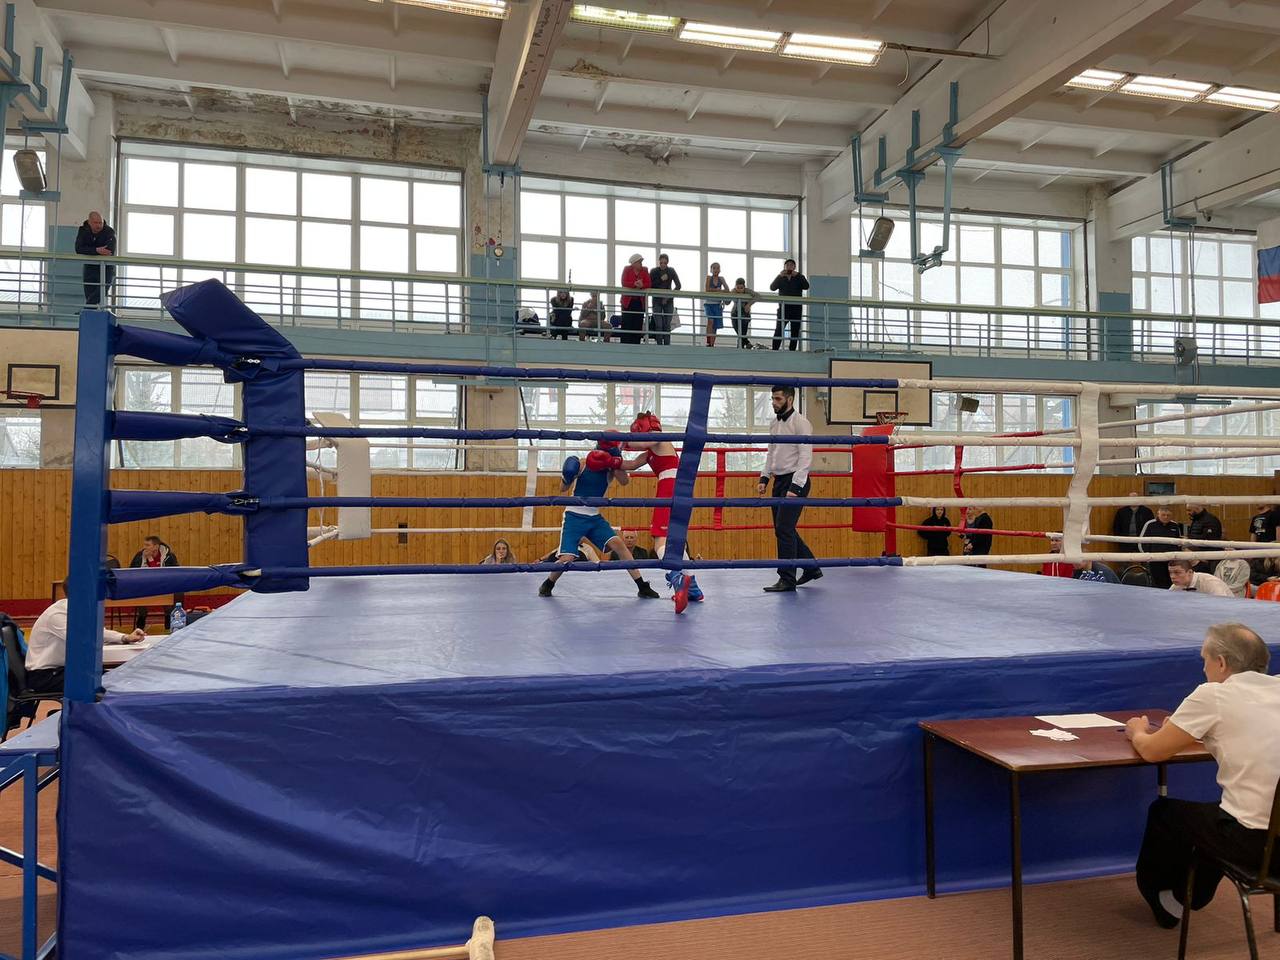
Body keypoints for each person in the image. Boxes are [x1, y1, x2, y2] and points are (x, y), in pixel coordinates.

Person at [1126, 623, 1280, 928]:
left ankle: (1173, 901)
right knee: (1218, 816)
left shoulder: (1214, 696)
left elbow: (1153, 751)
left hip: (1257, 847)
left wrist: (1137, 731)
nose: (1204, 669)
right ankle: (1190, 894)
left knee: (1166, 813)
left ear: (1220, 663)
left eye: (1204, 660)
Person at [538, 440, 660, 599]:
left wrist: (616, 463)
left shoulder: (611, 469)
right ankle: (548, 583)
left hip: (594, 517)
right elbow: (563, 489)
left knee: (619, 545)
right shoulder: (582, 464)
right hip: (574, 516)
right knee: (567, 558)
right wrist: (567, 476)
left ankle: (642, 586)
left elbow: (625, 482)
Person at [623, 412, 704, 613]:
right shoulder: (651, 449)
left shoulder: (658, 439)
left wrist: (618, 441)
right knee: (676, 540)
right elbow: (631, 465)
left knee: (660, 539)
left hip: (669, 487)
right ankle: (692, 588)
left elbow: (640, 443)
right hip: (678, 488)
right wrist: (610, 460)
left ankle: (677, 577)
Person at [759, 385, 817, 593]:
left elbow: (805, 456)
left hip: (795, 481)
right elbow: (771, 452)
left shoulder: (801, 423)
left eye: (778, 399)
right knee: (783, 529)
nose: (774, 403)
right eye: (773, 399)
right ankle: (811, 568)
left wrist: (796, 485)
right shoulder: (774, 423)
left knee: (784, 529)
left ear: (790, 399)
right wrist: (765, 477)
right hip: (779, 481)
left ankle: (787, 578)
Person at [25, 597, 145, 695]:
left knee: (110, 677)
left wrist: (125, 637)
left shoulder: (79, 609)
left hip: (63, 670)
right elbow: (82, 639)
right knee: (103, 682)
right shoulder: (56, 615)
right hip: (45, 676)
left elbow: (97, 633)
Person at [129, 535, 180, 630]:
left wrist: (150, 559)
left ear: (156, 546)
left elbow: (173, 573)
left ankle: (168, 624)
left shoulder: (169, 556)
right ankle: (141, 623)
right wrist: (147, 560)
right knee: (140, 596)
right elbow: (131, 571)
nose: (145, 547)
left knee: (170, 597)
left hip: (163, 585)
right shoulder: (139, 556)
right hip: (145, 585)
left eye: (148, 545)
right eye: (144, 545)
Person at [75, 210, 117, 306]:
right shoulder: (83, 230)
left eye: (100, 223)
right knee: (90, 295)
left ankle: (86, 310)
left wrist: (89, 250)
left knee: (100, 293)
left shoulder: (109, 232)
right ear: (89, 222)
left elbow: (109, 250)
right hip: (90, 268)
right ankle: (88, 310)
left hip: (106, 268)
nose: (98, 225)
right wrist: (97, 250)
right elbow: (78, 249)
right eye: (95, 223)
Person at [769, 258, 809, 351]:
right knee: (779, 329)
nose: (789, 267)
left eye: (791, 265)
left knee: (795, 331)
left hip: (796, 309)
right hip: (783, 309)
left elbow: (806, 286)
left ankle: (792, 351)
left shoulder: (799, 277)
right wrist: (779, 276)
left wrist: (798, 275)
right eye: (787, 265)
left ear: (794, 267)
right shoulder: (781, 278)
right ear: (784, 267)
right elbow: (772, 287)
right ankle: (775, 350)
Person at [1140, 506, 1184, 589]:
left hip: (1171, 561)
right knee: (1157, 585)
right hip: (1155, 561)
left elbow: (1179, 543)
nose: (1166, 517)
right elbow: (1141, 542)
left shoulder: (1175, 525)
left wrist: (1177, 558)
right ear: (1158, 514)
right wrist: (1148, 556)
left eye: (1168, 515)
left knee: (1172, 583)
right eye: (1163, 515)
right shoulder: (1150, 524)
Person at [648, 254, 681, 345]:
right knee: (659, 325)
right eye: (661, 263)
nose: (663, 265)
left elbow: (678, 286)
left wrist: (668, 297)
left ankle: (667, 346)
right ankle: (659, 345)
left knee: (667, 325)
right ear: (659, 262)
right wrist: (660, 279)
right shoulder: (654, 271)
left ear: (667, 263)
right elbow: (649, 285)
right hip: (656, 300)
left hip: (668, 300)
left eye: (665, 263)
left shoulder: (671, 271)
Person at [619, 253, 649, 345]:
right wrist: (634, 284)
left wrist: (642, 285)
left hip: (639, 302)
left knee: (637, 324)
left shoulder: (645, 270)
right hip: (628, 302)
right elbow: (624, 282)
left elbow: (649, 283)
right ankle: (625, 345)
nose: (641, 264)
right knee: (626, 323)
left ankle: (636, 345)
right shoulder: (627, 269)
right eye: (639, 262)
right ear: (634, 263)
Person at [1167, 558, 1234, 597]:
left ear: (1190, 572)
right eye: (1170, 573)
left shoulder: (1210, 583)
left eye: (1177, 572)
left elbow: (1222, 605)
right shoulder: (1176, 586)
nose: (1172, 577)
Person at [1187, 503, 1224, 572]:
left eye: (1189, 510)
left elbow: (1210, 539)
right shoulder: (1196, 520)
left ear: (1197, 509)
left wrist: (1189, 538)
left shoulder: (1211, 520)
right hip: (1199, 555)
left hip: (1210, 557)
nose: (1188, 513)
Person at [729, 277, 760, 349]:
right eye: (738, 288)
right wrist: (729, 294)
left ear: (744, 287)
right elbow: (727, 302)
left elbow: (757, 296)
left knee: (742, 333)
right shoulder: (733, 291)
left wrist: (749, 304)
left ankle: (740, 348)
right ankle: (747, 343)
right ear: (735, 286)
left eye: (741, 288)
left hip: (745, 314)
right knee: (739, 333)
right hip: (735, 314)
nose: (739, 290)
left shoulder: (747, 291)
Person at [703, 262, 728, 348]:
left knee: (715, 325)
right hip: (709, 304)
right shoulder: (708, 278)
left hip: (717, 304)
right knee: (710, 321)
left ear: (720, 270)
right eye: (714, 268)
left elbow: (727, 289)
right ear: (711, 270)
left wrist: (718, 290)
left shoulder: (721, 279)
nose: (716, 270)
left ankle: (712, 344)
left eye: (718, 268)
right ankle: (708, 342)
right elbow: (707, 289)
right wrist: (718, 290)